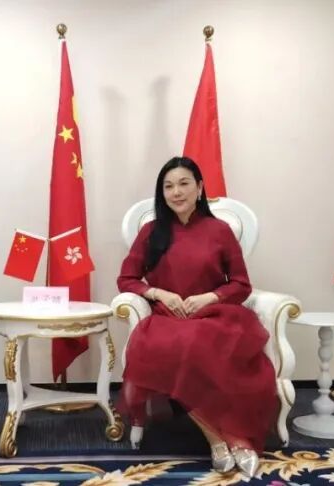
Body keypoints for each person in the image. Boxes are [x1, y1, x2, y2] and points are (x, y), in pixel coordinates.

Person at [116, 157, 278, 477]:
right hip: (168, 318)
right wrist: (159, 293)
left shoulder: (220, 230)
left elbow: (241, 284)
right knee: (181, 347)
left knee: (202, 344)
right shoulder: (151, 231)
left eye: (183, 183)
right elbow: (127, 279)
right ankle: (220, 439)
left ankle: (235, 438)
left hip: (215, 315)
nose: (176, 192)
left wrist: (210, 297)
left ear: (199, 188)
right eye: (168, 186)